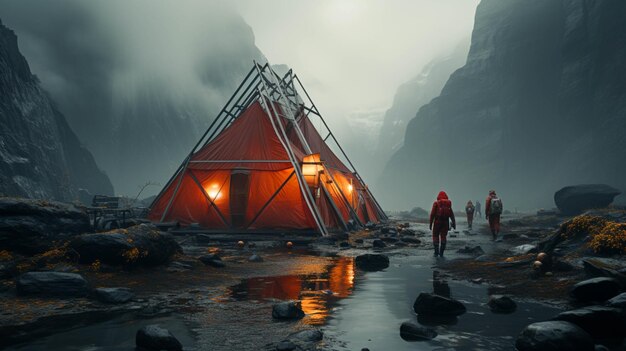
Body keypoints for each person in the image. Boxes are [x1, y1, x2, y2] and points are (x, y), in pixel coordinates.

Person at [429, 191, 456, 257]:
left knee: (435, 235)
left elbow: (432, 214)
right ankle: (441, 253)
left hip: (437, 222)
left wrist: (430, 224)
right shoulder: (448, 204)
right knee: (443, 236)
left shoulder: (436, 203)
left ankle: (436, 251)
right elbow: (451, 215)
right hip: (445, 222)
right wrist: (454, 224)